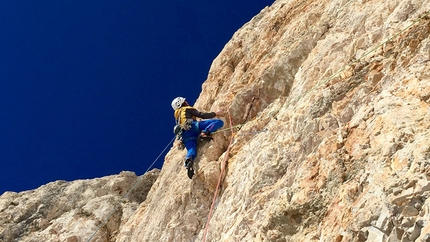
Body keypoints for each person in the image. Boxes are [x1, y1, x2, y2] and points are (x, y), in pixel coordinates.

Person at [171, 97, 224, 178]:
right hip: (193, 126)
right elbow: (201, 115)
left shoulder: (177, 117)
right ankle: (204, 133)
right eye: (184, 101)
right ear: (181, 103)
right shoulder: (186, 109)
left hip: (185, 135)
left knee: (191, 150)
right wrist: (215, 113)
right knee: (218, 122)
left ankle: (188, 161)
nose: (186, 102)